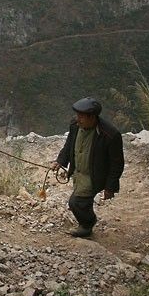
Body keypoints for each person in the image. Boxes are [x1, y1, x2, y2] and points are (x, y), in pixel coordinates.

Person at [50, 97, 124, 238]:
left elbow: (117, 164)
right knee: (83, 202)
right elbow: (69, 145)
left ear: (92, 117)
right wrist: (60, 161)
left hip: (94, 176)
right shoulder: (75, 126)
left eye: (81, 117)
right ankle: (87, 220)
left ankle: (87, 225)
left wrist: (110, 187)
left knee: (75, 202)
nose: (78, 119)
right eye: (77, 116)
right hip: (78, 172)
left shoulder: (110, 135)